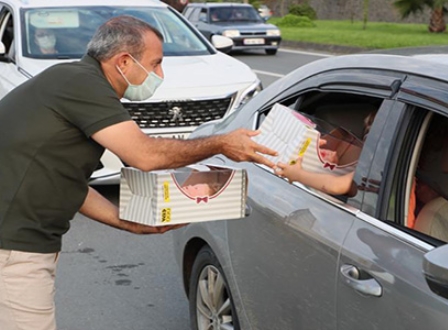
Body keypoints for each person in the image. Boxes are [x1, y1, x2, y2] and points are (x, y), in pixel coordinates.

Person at [0, 15, 276, 330]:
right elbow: (143, 155)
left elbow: (69, 185)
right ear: (124, 61)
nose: (160, 74)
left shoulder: (73, 80)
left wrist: (127, 222)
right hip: (13, 248)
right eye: (156, 64)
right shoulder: (80, 84)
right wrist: (221, 144)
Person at [275, 111, 376, 196]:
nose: (367, 133)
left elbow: (337, 186)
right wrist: (332, 167)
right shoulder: (374, 168)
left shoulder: (375, 168)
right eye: (366, 128)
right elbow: (355, 190)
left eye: (373, 128)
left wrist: (297, 175)